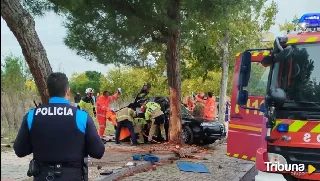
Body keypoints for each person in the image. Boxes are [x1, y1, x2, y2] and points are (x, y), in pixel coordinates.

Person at [13, 72, 105, 181]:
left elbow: (20, 150)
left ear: (47, 92)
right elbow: (98, 151)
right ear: (68, 91)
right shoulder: (81, 116)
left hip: (43, 176)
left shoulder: (32, 116)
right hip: (73, 176)